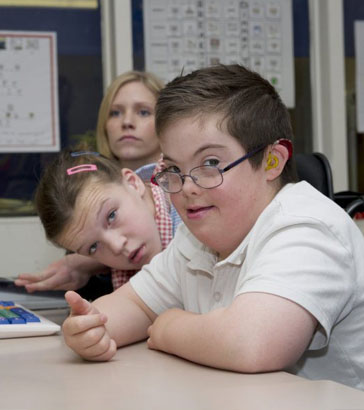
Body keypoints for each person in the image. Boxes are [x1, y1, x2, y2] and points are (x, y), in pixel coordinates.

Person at [61, 64, 364, 390]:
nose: (187, 187)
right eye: (174, 168)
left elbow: (251, 344)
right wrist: (87, 330)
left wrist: (167, 326)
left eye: (210, 164)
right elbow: (129, 307)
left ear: (272, 161)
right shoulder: (196, 240)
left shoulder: (306, 228)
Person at [15, 71, 174, 293]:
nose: (127, 122)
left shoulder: (189, 194)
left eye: (143, 111)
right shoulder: (79, 202)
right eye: (115, 113)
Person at [21, 149, 180, 293]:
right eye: (93, 247)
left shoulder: (192, 202)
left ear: (133, 182)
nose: (117, 246)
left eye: (111, 216)